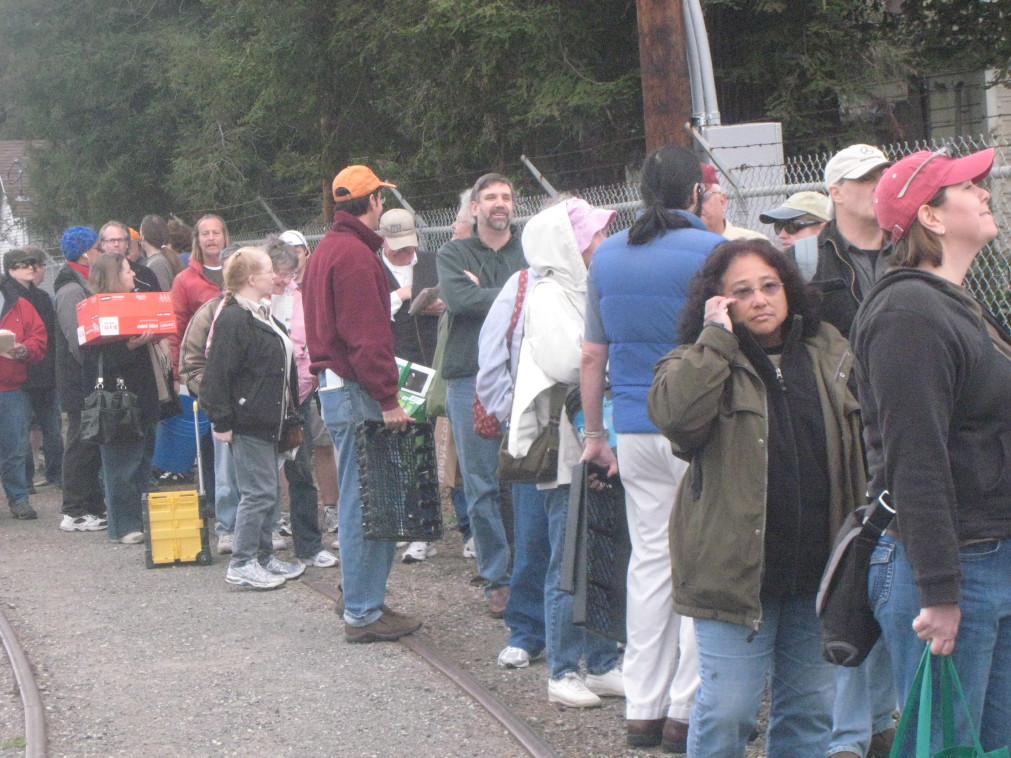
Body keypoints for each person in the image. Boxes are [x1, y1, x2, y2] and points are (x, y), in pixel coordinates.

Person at [647, 238, 865, 756]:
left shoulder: (829, 350)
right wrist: (716, 341)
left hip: (818, 571)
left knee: (809, 711)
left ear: (789, 290)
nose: (761, 299)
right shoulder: (697, 361)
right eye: (742, 291)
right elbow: (677, 419)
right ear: (718, 301)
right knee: (728, 711)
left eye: (770, 286)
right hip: (735, 573)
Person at [853, 146, 1011, 755]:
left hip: (989, 559)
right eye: (969, 187)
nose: (986, 194)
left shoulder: (958, 304)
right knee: (947, 748)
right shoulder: (908, 312)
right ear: (932, 217)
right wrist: (940, 592)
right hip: (955, 570)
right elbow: (914, 460)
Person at [580, 144, 723, 752]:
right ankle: (685, 711)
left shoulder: (607, 257)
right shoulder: (714, 253)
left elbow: (593, 354)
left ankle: (643, 705)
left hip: (633, 428)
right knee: (701, 562)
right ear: (694, 193)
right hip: (699, 428)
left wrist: (594, 434)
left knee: (650, 563)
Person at [509, 198, 623, 707]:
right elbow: (569, 361)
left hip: (594, 436)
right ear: (569, 245)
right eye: (594, 236)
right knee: (568, 555)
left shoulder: (585, 288)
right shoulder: (550, 294)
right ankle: (561, 669)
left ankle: (600, 662)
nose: (603, 243)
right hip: (567, 445)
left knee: (601, 549)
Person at [303, 164, 420, 642]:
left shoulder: (328, 249)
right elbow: (367, 339)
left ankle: (360, 598)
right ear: (374, 202)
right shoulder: (354, 255)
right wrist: (388, 398)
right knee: (368, 500)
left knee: (359, 498)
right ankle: (363, 611)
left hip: (337, 388)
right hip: (357, 392)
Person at [437, 173, 525, 618]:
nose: (499, 203)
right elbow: (460, 301)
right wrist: (517, 293)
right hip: (468, 376)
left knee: (526, 476)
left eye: (506, 196)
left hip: (525, 373)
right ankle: (498, 577)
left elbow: (538, 296)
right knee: (482, 482)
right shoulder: (454, 252)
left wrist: (483, 292)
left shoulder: (528, 251)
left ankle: (529, 571)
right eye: (489, 197)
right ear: (474, 208)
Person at [200, 247, 305, 589]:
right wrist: (222, 421)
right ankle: (242, 562)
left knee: (267, 490)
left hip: (268, 419)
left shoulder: (260, 313)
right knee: (258, 492)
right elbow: (217, 374)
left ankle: (262, 557)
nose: (273, 275)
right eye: (266, 270)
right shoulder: (233, 318)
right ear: (250, 279)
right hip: (248, 420)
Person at [264, 235, 338, 569]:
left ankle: (308, 545)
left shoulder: (301, 298)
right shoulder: (244, 303)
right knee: (259, 477)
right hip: (258, 400)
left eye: (289, 274)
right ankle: (258, 547)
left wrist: (305, 383)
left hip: (298, 398)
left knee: (301, 471)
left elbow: (313, 343)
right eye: (278, 274)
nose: (284, 281)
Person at [80, 253, 164, 544]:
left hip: (143, 394)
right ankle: (123, 525)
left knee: (142, 460)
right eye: (128, 271)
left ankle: (140, 519)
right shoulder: (94, 310)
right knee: (120, 464)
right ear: (115, 276)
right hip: (116, 399)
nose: (133, 276)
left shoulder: (138, 301)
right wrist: (130, 345)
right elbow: (92, 359)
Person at [378, 207, 445, 563]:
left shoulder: (433, 260)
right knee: (410, 447)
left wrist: (443, 304)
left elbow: (459, 294)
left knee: (446, 449)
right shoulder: (372, 268)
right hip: (397, 368)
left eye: (408, 244)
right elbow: (369, 311)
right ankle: (419, 529)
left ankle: (464, 529)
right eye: (396, 246)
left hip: (435, 363)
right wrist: (401, 295)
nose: (405, 253)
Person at [789, 144, 892, 337]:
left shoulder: (913, 249)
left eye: (884, 176)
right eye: (865, 178)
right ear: (836, 193)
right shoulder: (801, 260)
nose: (879, 186)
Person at [54, 226, 108, 532]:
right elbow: (78, 339)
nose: (100, 252)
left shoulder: (79, 283)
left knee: (87, 442)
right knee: (79, 443)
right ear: (86, 252)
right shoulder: (72, 289)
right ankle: (74, 510)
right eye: (97, 247)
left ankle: (89, 505)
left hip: (85, 379)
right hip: (78, 381)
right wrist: (93, 368)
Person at [4, 249, 63, 490]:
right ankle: (26, 480)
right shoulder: (10, 298)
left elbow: (49, 335)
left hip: (43, 369)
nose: (31, 268)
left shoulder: (40, 296)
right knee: (20, 433)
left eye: (32, 264)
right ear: (11, 269)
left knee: (51, 427)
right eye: (23, 265)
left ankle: (55, 473)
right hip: (18, 374)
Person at [0, 252, 47, 521]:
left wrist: (23, 350)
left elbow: (39, 340)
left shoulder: (19, 304)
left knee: (14, 448)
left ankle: (18, 499)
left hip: (11, 387)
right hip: (10, 387)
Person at [698, 163, 767, 240]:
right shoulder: (682, 244)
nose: (696, 204)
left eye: (704, 196)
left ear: (722, 201)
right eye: (689, 200)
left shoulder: (753, 244)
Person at [99, 221, 159, 292]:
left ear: (127, 244)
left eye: (120, 240)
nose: (116, 244)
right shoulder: (96, 274)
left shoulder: (145, 275)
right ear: (103, 244)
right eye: (112, 240)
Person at [758, 190, 831, 249]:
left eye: (792, 226)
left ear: (823, 228)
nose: (782, 235)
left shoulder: (838, 265)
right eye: (779, 226)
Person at [139, 214, 184, 291]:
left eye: (140, 232)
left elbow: (162, 295)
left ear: (143, 237)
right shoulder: (161, 258)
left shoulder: (157, 263)